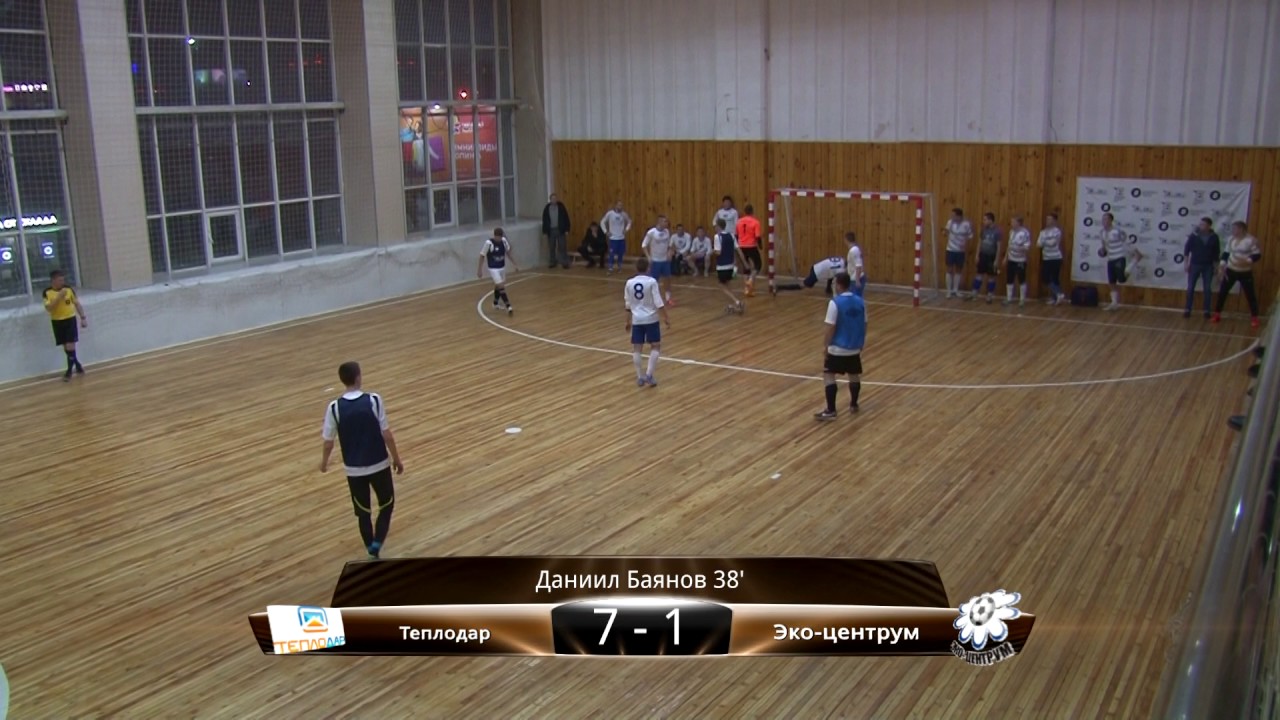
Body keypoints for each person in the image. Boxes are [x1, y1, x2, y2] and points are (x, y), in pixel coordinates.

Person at [320, 361, 404, 560]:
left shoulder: (334, 408)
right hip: (379, 464)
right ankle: (376, 544)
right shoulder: (374, 400)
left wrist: (324, 463)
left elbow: (328, 442)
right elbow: (387, 434)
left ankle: (370, 548)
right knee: (386, 504)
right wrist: (396, 459)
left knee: (363, 512)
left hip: (354, 470)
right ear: (358, 377)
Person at [814, 272, 867, 421]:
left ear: (838, 285)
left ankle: (831, 410)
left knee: (829, 375)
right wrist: (861, 341)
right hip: (854, 347)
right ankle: (854, 404)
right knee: (854, 375)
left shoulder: (835, 303)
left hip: (837, 347)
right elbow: (864, 324)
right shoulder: (861, 302)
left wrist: (826, 345)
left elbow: (830, 327)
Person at [624, 258, 671, 387]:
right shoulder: (651, 282)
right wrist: (666, 317)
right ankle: (649, 375)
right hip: (651, 319)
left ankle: (640, 376)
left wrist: (627, 320)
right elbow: (658, 302)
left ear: (636, 268)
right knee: (655, 346)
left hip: (637, 319)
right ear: (648, 268)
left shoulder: (629, 283)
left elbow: (628, 304)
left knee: (637, 348)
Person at [1213, 221, 1262, 328]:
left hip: (1245, 272)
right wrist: (1222, 266)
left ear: (1241, 229)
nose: (1233, 231)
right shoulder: (1231, 239)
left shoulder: (1251, 240)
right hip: (1231, 270)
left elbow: (1257, 255)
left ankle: (1254, 318)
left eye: (1235, 229)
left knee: (1250, 295)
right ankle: (1217, 314)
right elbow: (1226, 253)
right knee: (1223, 292)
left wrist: (1248, 261)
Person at [42, 269, 87, 381]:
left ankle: (69, 372)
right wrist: (59, 297)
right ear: (53, 280)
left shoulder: (68, 289)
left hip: (69, 320)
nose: (62, 282)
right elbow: (49, 308)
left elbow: (77, 304)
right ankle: (77, 365)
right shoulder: (47, 292)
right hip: (57, 321)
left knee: (70, 345)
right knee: (66, 347)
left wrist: (83, 317)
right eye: (60, 280)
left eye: (63, 280)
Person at [1099, 212, 1141, 311]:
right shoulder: (1102, 232)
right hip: (1110, 259)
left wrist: (1136, 252)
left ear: (1110, 220)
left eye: (1106, 219)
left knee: (1122, 279)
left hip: (1119, 257)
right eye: (1103, 219)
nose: (1104, 221)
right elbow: (1103, 246)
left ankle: (1135, 261)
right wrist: (1102, 251)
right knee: (1111, 282)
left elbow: (1127, 242)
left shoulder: (1117, 231)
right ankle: (1114, 303)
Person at [1183, 217, 1220, 319]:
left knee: (1207, 289)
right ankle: (1187, 309)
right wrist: (1186, 263)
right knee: (1190, 287)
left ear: (1209, 226)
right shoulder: (1194, 235)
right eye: (1200, 224)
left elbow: (1216, 253)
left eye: (1203, 224)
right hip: (1194, 264)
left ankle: (1206, 310)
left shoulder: (1214, 237)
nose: (1200, 226)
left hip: (1208, 265)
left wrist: (1216, 267)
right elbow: (1186, 250)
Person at [477, 227, 519, 315]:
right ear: (495, 236)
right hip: (493, 268)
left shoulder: (504, 241)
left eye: (500, 237)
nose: (499, 239)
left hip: (502, 267)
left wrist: (514, 264)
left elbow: (508, 253)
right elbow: (482, 255)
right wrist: (479, 269)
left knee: (499, 285)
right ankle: (508, 306)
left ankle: (495, 303)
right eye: (497, 237)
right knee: (501, 286)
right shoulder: (489, 243)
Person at [713, 218, 748, 313]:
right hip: (731, 266)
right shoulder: (732, 235)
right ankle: (734, 304)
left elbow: (718, 252)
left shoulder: (717, 237)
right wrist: (744, 263)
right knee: (727, 285)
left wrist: (713, 251)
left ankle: (737, 302)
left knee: (721, 285)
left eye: (716, 226)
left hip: (722, 266)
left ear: (718, 226)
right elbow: (738, 250)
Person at [641, 215, 675, 304]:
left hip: (665, 260)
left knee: (667, 278)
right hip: (655, 260)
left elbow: (670, 244)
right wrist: (648, 257)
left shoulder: (667, 232)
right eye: (664, 221)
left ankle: (668, 297)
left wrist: (670, 252)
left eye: (667, 221)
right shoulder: (651, 232)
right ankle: (650, 298)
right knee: (653, 280)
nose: (666, 223)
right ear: (659, 222)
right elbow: (644, 245)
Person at [968, 213, 1000, 303]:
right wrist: (977, 255)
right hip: (983, 255)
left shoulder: (997, 231)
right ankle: (974, 293)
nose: (984, 221)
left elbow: (999, 247)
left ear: (991, 220)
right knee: (979, 274)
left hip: (991, 256)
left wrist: (996, 259)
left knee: (991, 276)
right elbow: (979, 242)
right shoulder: (983, 230)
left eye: (985, 220)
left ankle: (990, 295)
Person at [1002, 216, 1032, 307]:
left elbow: (1027, 247)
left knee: (1021, 279)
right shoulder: (1011, 232)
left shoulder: (1025, 233)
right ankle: (1009, 298)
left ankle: (1022, 299)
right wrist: (1006, 257)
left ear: (1018, 223)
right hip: (1011, 259)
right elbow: (1009, 245)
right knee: (1009, 279)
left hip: (1020, 260)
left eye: (1013, 222)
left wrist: (1017, 248)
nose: (1011, 224)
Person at [943, 208, 973, 298]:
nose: (952, 217)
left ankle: (955, 290)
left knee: (959, 269)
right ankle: (948, 291)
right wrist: (944, 232)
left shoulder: (966, 224)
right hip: (950, 249)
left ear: (959, 216)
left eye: (954, 215)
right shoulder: (950, 222)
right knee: (949, 269)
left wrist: (964, 242)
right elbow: (945, 232)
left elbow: (971, 235)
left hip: (960, 251)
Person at [1037, 213, 1066, 305]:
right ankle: (1058, 294)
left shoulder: (1057, 231)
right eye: (1047, 219)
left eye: (1049, 219)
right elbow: (1038, 244)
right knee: (1045, 278)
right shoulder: (1043, 232)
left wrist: (1044, 241)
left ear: (1054, 221)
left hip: (1056, 258)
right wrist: (1046, 242)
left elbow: (1052, 243)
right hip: (1046, 258)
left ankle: (1056, 297)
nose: (1047, 221)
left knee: (1055, 278)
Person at [735, 204, 763, 296]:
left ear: (745, 212)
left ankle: (746, 289)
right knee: (758, 265)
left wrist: (738, 245)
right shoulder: (755, 222)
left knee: (745, 266)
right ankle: (751, 280)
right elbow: (757, 236)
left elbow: (736, 235)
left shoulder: (739, 222)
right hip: (751, 246)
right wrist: (760, 246)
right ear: (752, 211)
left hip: (741, 246)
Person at [601, 200, 632, 274]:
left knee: (620, 254)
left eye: (621, 205)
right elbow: (602, 222)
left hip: (621, 238)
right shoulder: (610, 214)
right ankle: (610, 268)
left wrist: (626, 229)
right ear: (615, 205)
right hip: (613, 238)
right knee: (611, 254)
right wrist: (606, 232)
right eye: (619, 205)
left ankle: (619, 267)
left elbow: (629, 221)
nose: (620, 207)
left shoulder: (624, 214)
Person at [541, 193, 571, 269]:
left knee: (562, 246)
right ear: (550, 200)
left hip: (560, 229)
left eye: (555, 198)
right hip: (551, 230)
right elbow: (544, 220)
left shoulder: (561, 207)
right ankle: (552, 261)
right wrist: (544, 231)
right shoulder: (547, 208)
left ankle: (564, 262)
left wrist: (567, 229)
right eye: (552, 198)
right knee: (551, 246)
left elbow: (566, 218)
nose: (554, 200)